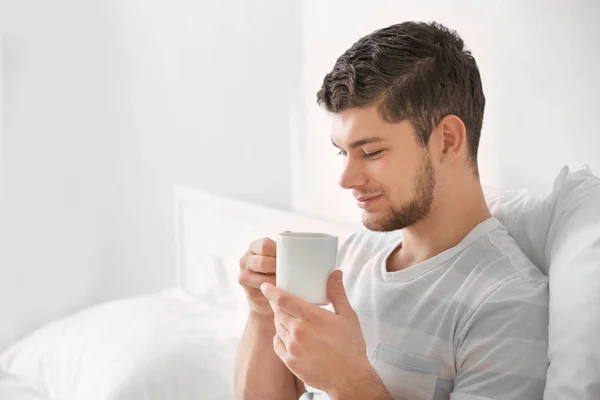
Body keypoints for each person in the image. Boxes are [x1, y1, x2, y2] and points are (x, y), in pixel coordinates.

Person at [234, 21, 549, 400]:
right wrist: (262, 313)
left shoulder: (506, 303)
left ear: (447, 141)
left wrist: (348, 382)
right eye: (342, 152)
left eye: (371, 152)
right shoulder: (351, 255)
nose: (346, 179)